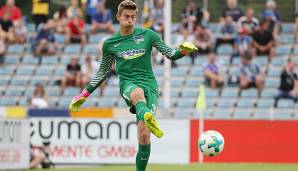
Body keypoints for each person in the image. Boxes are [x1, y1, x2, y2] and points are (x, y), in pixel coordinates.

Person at [68, 1, 197, 171]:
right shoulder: (110, 44)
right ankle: (148, 117)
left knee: (144, 137)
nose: (130, 20)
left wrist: (183, 51)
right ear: (119, 17)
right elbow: (102, 72)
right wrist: (83, 94)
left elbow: (170, 54)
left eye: (133, 17)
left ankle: (145, 123)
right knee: (136, 94)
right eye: (127, 17)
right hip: (128, 84)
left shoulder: (148, 35)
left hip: (150, 86)